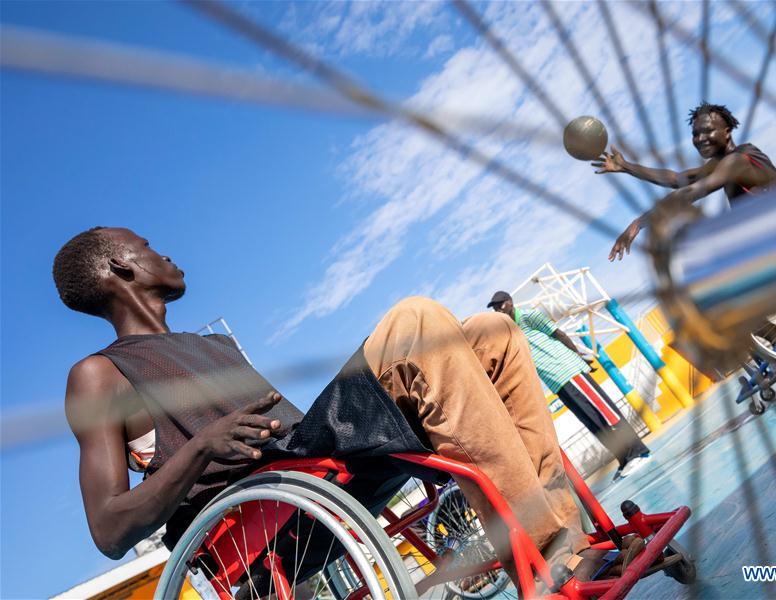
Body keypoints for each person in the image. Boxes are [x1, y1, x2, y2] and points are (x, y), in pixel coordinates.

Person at [54, 226, 616, 592]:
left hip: (318, 464)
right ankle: (547, 558)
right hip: (262, 520)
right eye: (148, 246)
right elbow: (109, 529)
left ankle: (570, 539)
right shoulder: (99, 374)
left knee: (492, 330)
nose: (166, 251)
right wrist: (202, 446)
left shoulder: (215, 348)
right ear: (119, 268)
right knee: (415, 321)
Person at [594, 101, 776, 356]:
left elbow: (694, 191)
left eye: (707, 131)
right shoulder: (724, 161)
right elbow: (677, 180)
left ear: (727, 131)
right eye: (695, 134)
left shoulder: (739, 159)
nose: (700, 138)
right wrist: (626, 167)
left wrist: (638, 223)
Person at [487, 291, 651, 480]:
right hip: (557, 383)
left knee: (605, 413)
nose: (498, 309)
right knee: (593, 422)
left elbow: (559, 334)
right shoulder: (511, 331)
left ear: (510, 302)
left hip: (568, 370)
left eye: (500, 304)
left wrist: (578, 356)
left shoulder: (527, 316)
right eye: (495, 307)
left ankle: (638, 452)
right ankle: (624, 459)